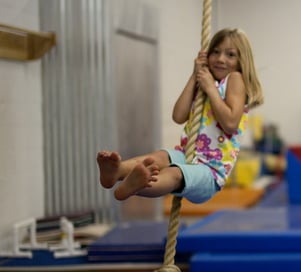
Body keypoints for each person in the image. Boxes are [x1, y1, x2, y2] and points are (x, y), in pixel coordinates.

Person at [97, 28, 264, 203]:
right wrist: (194, 76)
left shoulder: (235, 79)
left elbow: (230, 123)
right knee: (159, 157)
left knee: (174, 173)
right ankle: (117, 171)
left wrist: (210, 89)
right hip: (188, 154)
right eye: (215, 52)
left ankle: (139, 185)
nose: (221, 59)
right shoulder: (207, 82)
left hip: (211, 171)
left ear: (241, 61)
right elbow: (178, 116)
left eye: (230, 55)